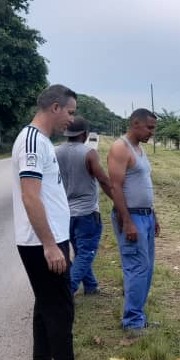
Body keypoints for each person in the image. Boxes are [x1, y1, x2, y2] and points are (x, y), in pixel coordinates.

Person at [14, 84, 107, 360]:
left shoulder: (43, 142)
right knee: (61, 310)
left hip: (49, 238)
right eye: (69, 112)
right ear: (55, 108)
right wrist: (50, 245)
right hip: (41, 243)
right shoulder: (31, 142)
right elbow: (30, 196)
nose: (71, 119)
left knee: (46, 306)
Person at [107, 109, 160, 333]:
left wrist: (153, 215)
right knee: (137, 267)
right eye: (149, 127)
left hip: (145, 215)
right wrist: (127, 221)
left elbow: (142, 185)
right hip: (132, 216)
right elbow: (115, 187)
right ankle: (133, 321)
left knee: (146, 268)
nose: (152, 132)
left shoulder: (139, 149)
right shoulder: (120, 148)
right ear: (135, 124)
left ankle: (138, 315)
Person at [55, 116, 114, 296]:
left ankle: (91, 286)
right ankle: (67, 291)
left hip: (66, 212)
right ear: (86, 134)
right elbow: (103, 180)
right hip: (87, 212)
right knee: (86, 253)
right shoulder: (89, 153)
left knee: (80, 251)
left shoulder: (56, 152)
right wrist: (117, 201)